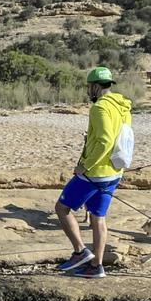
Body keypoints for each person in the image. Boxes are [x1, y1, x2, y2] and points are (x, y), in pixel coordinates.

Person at [55, 67, 133, 280]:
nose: (88, 91)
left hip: (95, 172)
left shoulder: (99, 108)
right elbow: (119, 135)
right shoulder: (122, 106)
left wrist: (86, 165)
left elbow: (106, 140)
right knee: (98, 218)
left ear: (96, 87)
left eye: (89, 87)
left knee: (62, 208)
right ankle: (96, 266)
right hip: (114, 171)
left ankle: (80, 252)